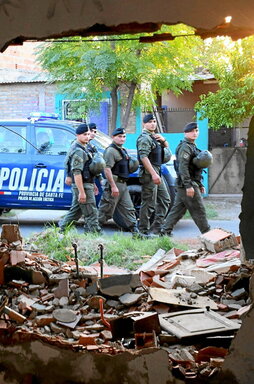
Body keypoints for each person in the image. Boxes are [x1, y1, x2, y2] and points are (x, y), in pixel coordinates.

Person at [160, 122, 210, 236]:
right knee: (199, 210)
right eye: (192, 131)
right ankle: (208, 234)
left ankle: (164, 232)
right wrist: (189, 185)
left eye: (196, 131)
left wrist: (200, 184)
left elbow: (195, 168)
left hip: (188, 183)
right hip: (187, 184)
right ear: (185, 133)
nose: (194, 133)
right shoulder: (185, 147)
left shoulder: (192, 146)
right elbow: (183, 167)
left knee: (177, 210)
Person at [58, 123, 101, 233]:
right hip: (83, 185)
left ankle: (61, 231)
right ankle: (95, 235)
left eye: (88, 134)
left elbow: (89, 169)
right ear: (77, 135)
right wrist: (82, 192)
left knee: (76, 212)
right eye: (84, 134)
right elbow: (76, 173)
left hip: (88, 183)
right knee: (91, 212)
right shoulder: (78, 150)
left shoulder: (85, 147)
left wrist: (94, 184)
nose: (87, 136)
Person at [98, 127, 139, 234]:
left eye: (124, 136)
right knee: (106, 210)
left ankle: (136, 232)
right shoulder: (111, 151)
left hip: (123, 184)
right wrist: (113, 186)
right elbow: (107, 169)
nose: (122, 139)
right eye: (119, 137)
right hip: (115, 184)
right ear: (113, 137)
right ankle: (94, 230)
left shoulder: (122, 150)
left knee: (128, 209)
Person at [136, 113, 171, 235]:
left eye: (154, 121)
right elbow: (143, 156)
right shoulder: (145, 138)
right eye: (150, 122)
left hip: (157, 171)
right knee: (149, 203)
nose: (153, 124)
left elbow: (166, 151)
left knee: (165, 200)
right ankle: (143, 231)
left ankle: (156, 227)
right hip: (149, 173)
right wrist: (153, 174)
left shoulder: (154, 137)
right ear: (144, 124)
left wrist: (164, 140)